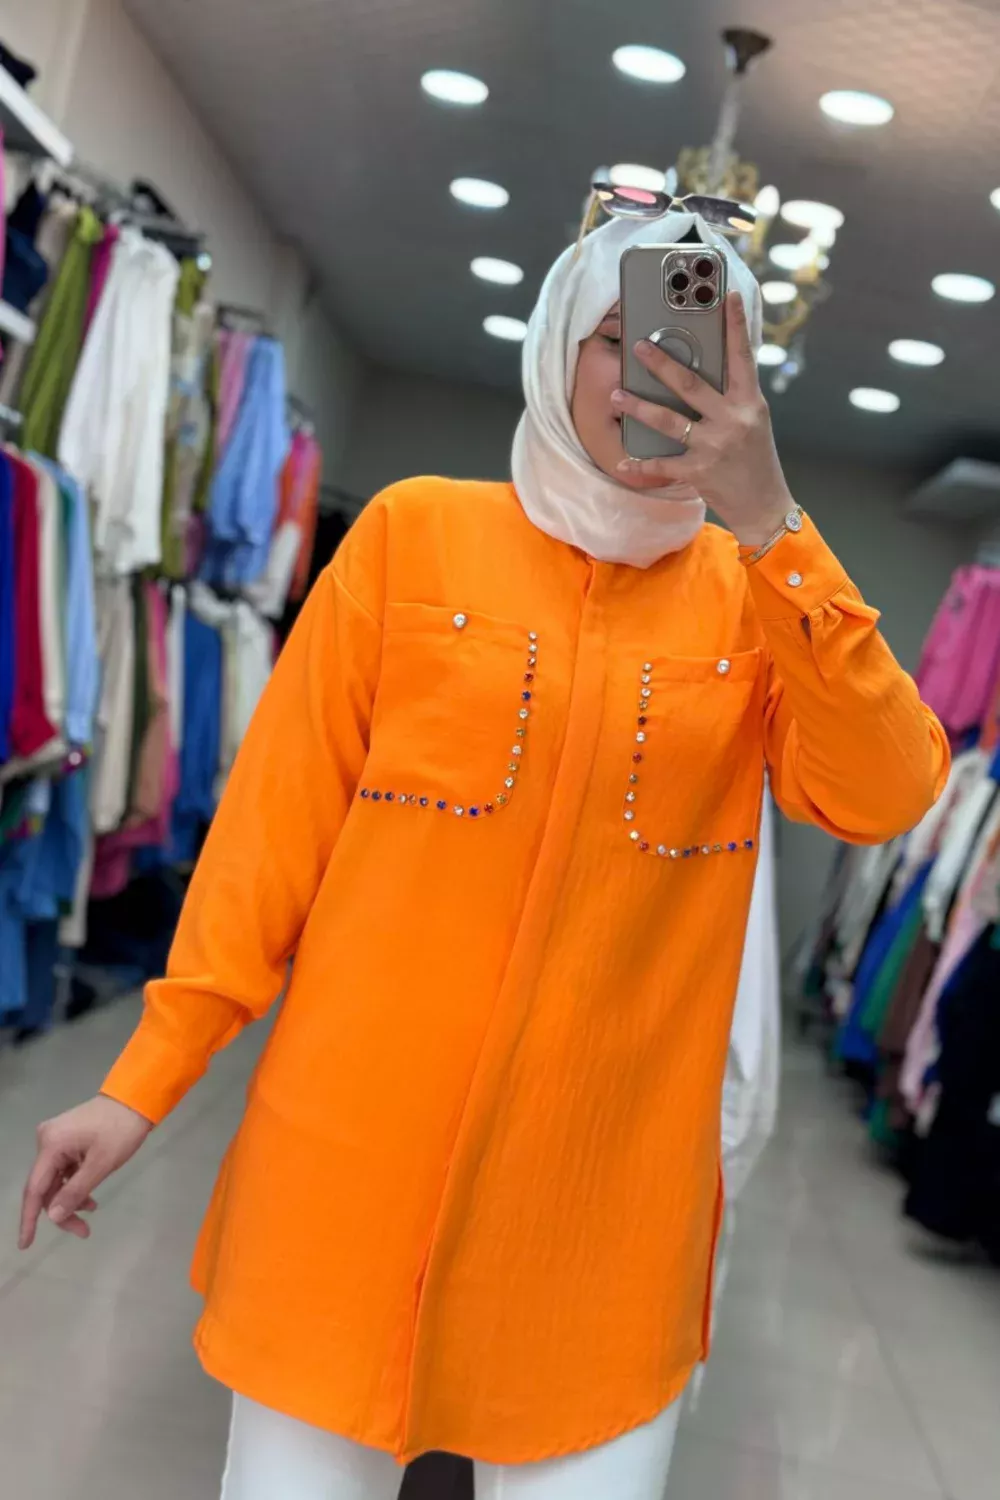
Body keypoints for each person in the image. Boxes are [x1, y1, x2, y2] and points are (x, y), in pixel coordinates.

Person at [19, 211, 949, 1500]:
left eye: (701, 352)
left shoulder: (758, 604)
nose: (655, 375)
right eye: (619, 339)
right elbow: (269, 844)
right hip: (344, 1183)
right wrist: (140, 1085)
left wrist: (774, 525)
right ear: (558, 347)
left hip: (598, 1227)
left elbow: (890, 791)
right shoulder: (413, 537)